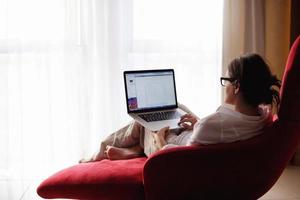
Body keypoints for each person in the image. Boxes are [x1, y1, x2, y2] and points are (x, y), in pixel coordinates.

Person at [79, 53, 281, 163]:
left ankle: (100, 153)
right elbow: (214, 134)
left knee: (142, 119)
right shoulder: (261, 115)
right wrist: (197, 122)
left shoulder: (213, 124)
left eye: (225, 80)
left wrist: (160, 140)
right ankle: (134, 149)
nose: (224, 84)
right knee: (177, 107)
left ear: (236, 86)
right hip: (191, 139)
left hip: (170, 147)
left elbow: (177, 159)